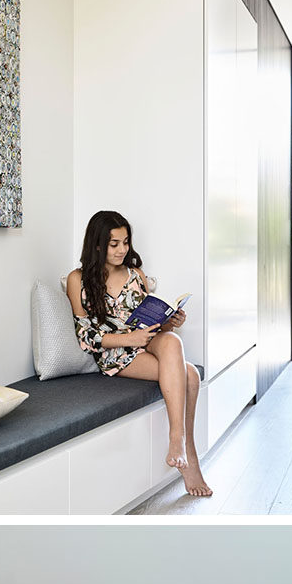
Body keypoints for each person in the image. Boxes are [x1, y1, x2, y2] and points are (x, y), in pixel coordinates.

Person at [66, 210, 211, 498]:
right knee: (190, 374)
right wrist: (127, 338)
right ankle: (188, 454)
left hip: (147, 340)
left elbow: (147, 319)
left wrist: (171, 320)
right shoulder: (78, 279)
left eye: (125, 242)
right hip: (115, 353)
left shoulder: (136, 275)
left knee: (170, 340)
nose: (122, 250)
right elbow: (85, 336)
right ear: (97, 245)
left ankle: (177, 439)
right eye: (114, 244)